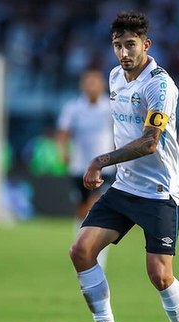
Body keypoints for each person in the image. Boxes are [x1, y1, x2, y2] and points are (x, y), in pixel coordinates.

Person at [68, 11, 179, 322]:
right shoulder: (112, 76)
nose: (124, 52)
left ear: (146, 45)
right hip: (125, 185)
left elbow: (150, 142)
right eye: (118, 45)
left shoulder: (160, 86)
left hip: (160, 190)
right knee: (80, 250)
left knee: (159, 274)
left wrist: (100, 159)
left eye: (131, 45)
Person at [56, 68, 115, 268]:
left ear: (102, 85)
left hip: (104, 168)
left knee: (95, 208)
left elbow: (120, 133)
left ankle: (99, 258)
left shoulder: (110, 107)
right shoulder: (73, 108)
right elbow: (63, 132)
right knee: (82, 212)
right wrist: (63, 151)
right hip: (79, 167)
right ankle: (81, 251)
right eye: (87, 82)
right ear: (82, 85)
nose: (91, 86)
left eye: (95, 82)